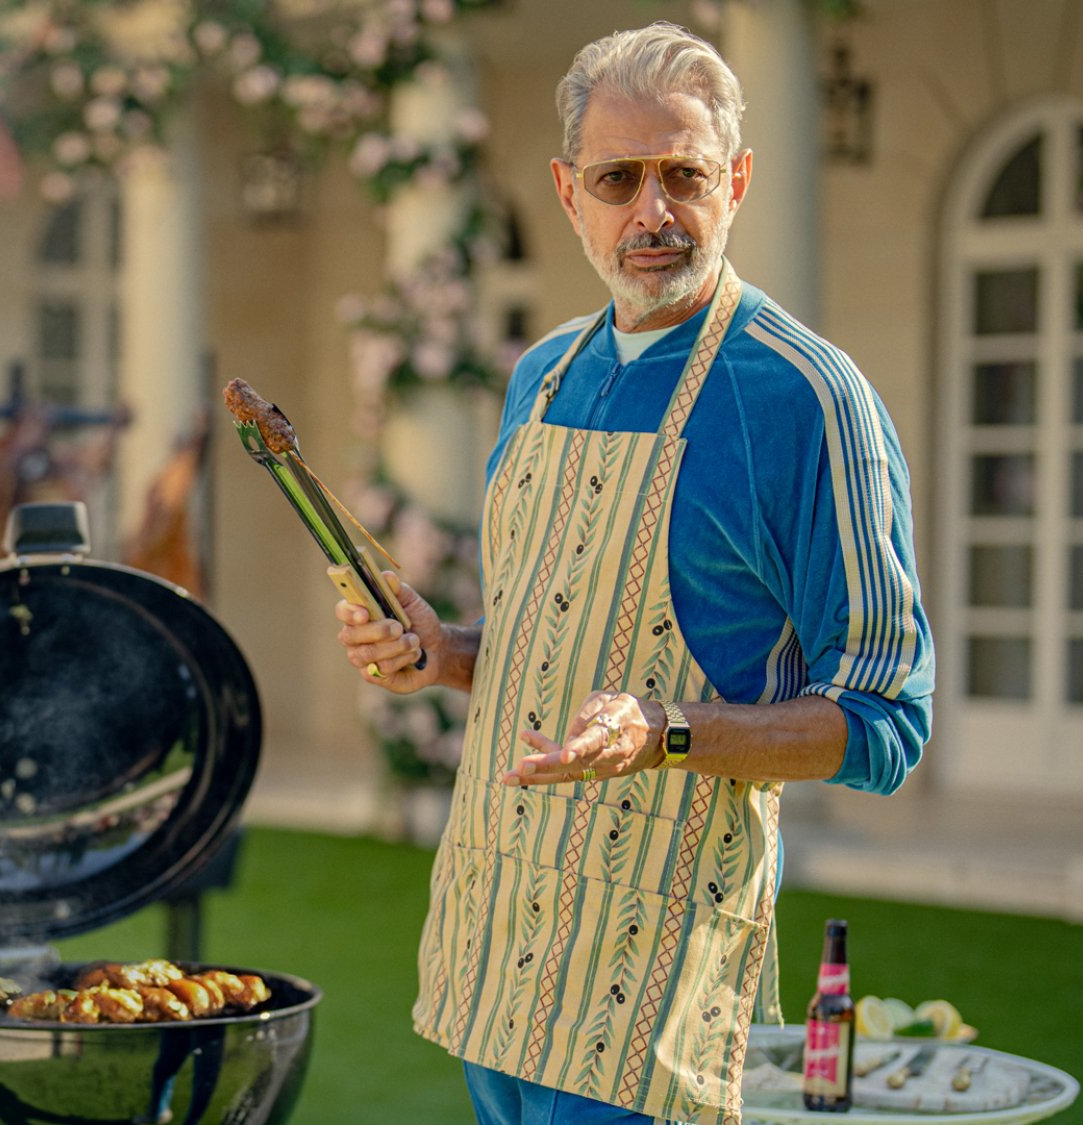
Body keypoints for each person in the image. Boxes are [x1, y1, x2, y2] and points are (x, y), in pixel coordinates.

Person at [334, 24, 931, 1125]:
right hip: (495, 944)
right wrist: (444, 654)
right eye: (618, 179)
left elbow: (886, 720)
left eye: (683, 176)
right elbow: (555, 644)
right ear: (568, 193)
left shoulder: (807, 396)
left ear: (736, 181)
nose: (651, 213)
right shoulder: (542, 375)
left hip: (652, 982)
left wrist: (668, 730)